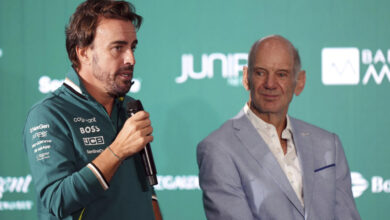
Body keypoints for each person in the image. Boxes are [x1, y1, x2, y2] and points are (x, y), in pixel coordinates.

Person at [23, 1, 162, 219]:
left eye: (132, 47)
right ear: (83, 53)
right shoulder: (49, 114)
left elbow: (145, 193)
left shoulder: (130, 107)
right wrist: (117, 151)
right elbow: (56, 200)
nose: (131, 59)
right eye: (118, 48)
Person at [197, 35, 361, 220]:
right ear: (246, 78)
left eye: (281, 74)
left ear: (299, 82)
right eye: (260, 72)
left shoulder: (328, 144)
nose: (270, 84)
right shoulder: (218, 148)